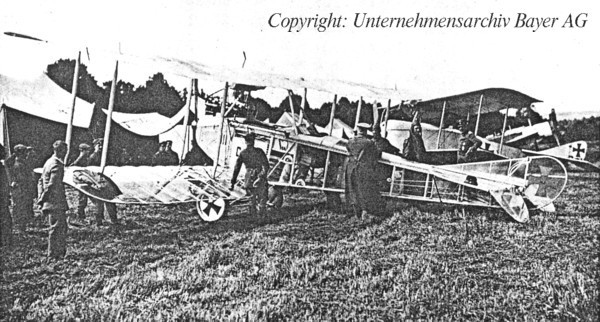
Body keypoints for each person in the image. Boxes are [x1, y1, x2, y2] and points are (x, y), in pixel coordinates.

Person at [38, 140, 69, 259]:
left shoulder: (48, 162)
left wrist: (42, 197)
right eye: (65, 151)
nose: (66, 154)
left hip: (51, 200)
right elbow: (52, 185)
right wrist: (42, 199)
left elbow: (41, 181)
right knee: (58, 228)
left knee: (57, 227)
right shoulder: (57, 165)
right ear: (60, 151)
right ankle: (54, 255)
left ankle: (57, 254)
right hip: (55, 201)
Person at [345, 122, 382, 219]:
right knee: (364, 189)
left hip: (350, 167)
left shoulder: (350, 141)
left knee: (352, 189)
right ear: (365, 131)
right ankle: (365, 212)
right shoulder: (369, 143)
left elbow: (349, 150)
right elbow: (376, 154)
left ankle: (355, 212)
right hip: (363, 168)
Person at [230, 133, 269, 216]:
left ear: (245, 142)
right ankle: (262, 215)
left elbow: (236, 168)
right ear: (253, 141)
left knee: (252, 197)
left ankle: (253, 216)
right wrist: (261, 176)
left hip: (248, 177)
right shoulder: (259, 151)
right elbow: (266, 165)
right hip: (259, 175)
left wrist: (233, 182)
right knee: (262, 196)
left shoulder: (243, 153)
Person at [87, 139, 118, 225]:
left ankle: (113, 220)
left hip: (107, 181)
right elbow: (89, 169)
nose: (100, 147)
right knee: (99, 203)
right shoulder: (93, 156)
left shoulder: (107, 155)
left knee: (110, 202)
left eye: (102, 145)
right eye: (98, 145)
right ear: (95, 146)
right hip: (97, 181)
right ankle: (99, 221)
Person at [8, 144, 33, 230]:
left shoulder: (21, 162)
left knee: (21, 206)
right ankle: (20, 226)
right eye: (25, 152)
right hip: (20, 189)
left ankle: (21, 225)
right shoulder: (19, 164)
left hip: (21, 188)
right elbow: (22, 179)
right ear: (20, 153)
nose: (26, 154)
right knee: (20, 206)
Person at [69, 143, 92, 221]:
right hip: (81, 180)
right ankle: (80, 216)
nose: (88, 152)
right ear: (83, 150)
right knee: (82, 200)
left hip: (85, 180)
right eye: (87, 150)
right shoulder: (79, 158)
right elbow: (73, 166)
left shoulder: (84, 157)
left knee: (84, 199)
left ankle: (81, 216)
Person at [0, 144, 13, 248]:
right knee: (5, 219)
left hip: (2, 198)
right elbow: (5, 184)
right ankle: (5, 241)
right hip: (2, 199)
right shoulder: (2, 167)